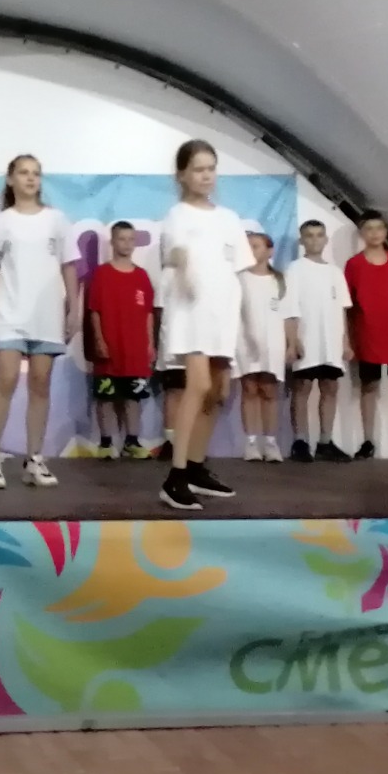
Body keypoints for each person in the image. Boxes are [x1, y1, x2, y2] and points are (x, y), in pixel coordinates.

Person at [0, 155, 81, 489]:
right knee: (6, 379)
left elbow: (69, 267)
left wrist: (74, 308)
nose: (31, 178)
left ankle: (34, 458)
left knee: (40, 383)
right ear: (10, 179)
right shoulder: (0, 223)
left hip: (46, 314)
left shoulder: (56, 220)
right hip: (10, 313)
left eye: (36, 173)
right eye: (23, 173)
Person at [156, 139, 249, 509]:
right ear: (182, 175)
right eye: (198, 169)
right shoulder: (177, 215)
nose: (206, 175)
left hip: (221, 314)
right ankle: (175, 476)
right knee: (198, 385)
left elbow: (240, 268)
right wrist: (182, 266)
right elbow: (175, 250)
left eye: (211, 168)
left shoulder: (229, 218)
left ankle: (195, 466)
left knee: (216, 393)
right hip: (190, 312)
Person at [344, 211, 388, 459]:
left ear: (386, 232)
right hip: (368, 333)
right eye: (369, 229)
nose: (374, 234)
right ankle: (368, 441)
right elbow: (347, 304)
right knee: (369, 386)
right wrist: (348, 338)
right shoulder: (354, 264)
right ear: (362, 233)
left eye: (379, 228)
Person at [86, 221, 156, 460]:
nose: (127, 244)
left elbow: (148, 313)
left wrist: (149, 344)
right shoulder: (102, 274)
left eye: (131, 239)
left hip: (136, 349)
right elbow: (94, 310)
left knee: (133, 397)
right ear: (113, 242)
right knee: (105, 396)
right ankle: (105, 443)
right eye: (122, 239)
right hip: (109, 348)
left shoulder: (142, 276)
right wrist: (99, 340)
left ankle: (131, 442)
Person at [285, 219, 353, 463]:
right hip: (307, 338)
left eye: (319, 235)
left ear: (325, 239)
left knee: (330, 388)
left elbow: (342, 309)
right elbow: (289, 308)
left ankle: (325, 441)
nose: (315, 240)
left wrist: (345, 342)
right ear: (302, 240)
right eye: (309, 235)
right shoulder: (295, 269)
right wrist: (293, 340)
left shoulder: (335, 272)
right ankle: (300, 441)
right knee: (302, 388)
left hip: (331, 342)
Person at [236, 228, 297, 463]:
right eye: (248, 246)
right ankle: (251, 443)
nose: (251, 250)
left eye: (256, 246)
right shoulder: (239, 278)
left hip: (273, 343)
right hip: (246, 343)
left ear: (269, 251)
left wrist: (292, 344)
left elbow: (288, 314)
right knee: (250, 390)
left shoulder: (280, 280)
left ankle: (271, 443)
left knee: (269, 391)